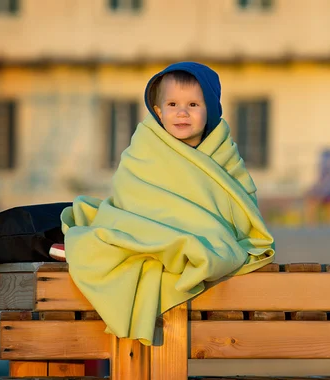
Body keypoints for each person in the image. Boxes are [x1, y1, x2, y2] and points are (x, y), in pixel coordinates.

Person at [57, 62, 275, 345]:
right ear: (158, 112)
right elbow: (131, 198)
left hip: (205, 241)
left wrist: (213, 233)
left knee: (218, 249)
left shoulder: (224, 153)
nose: (182, 112)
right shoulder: (144, 149)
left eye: (194, 104)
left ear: (211, 110)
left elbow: (240, 205)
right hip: (151, 232)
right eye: (172, 104)